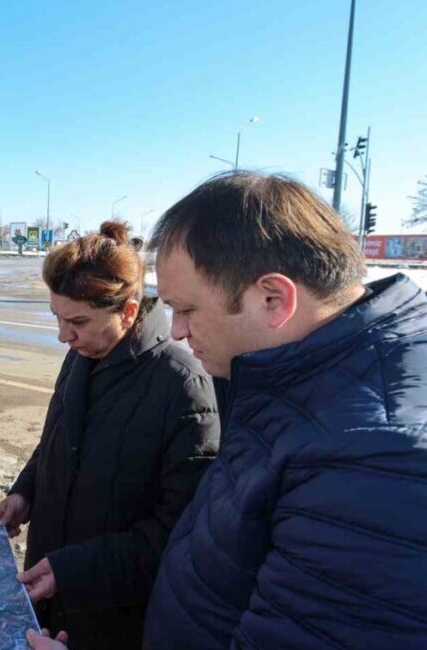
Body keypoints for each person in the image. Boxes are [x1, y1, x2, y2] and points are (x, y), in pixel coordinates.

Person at [145, 172, 427, 648]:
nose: (175, 332)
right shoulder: (292, 379)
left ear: (273, 299)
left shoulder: (377, 461)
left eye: (186, 309)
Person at [0, 221, 220, 650]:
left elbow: (180, 529)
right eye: (57, 318)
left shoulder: (183, 384)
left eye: (77, 321)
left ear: (129, 312)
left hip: (115, 616)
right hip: (47, 591)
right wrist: (25, 492)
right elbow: (56, 442)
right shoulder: (80, 357)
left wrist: (75, 570)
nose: (63, 335)